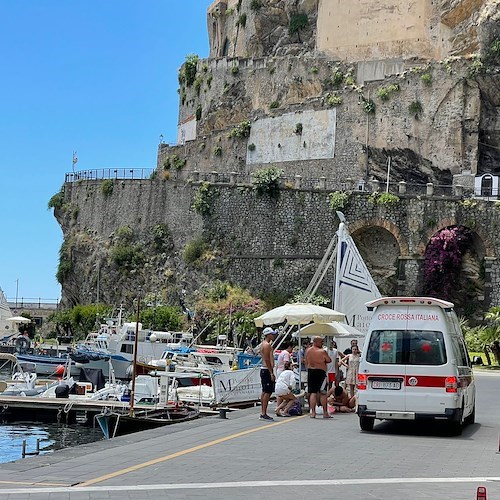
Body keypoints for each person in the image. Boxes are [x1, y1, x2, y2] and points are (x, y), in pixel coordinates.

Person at [305, 336, 332, 419]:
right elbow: (329, 360)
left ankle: (313, 412)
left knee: (313, 392)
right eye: (321, 342)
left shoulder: (308, 350)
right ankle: (325, 412)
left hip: (311, 371)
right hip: (320, 372)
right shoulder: (322, 351)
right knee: (323, 393)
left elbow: (306, 361)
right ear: (316, 342)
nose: (322, 343)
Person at [259, 327, 278, 421]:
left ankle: (263, 412)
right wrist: (271, 373)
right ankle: (263, 413)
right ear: (268, 335)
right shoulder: (267, 345)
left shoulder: (264, 344)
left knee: (265, 391)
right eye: (272, 334)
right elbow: (267, 360)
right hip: (266, 370)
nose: (273, 335)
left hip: (265, 369)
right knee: (267, 392)